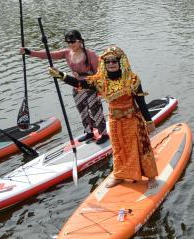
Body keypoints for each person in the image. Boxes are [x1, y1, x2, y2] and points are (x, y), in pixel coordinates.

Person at [47, 46, 157, 187]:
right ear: (104, 64)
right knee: (118, 149)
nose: (111, 64)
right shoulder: (101, 81)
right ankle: (120, 175)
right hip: (114, 120)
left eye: (114, 61)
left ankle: (150, 176)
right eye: (107, 62)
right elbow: (81, 83)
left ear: (120, 62)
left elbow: (141, 102)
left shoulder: (132, 79)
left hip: (131, 119)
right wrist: (61, 75)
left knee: (139, 147)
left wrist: (149, 121)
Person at [21, 30, 107, 143]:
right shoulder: (67, 53)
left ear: (80, 41)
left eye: (73, 42)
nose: (71, 44)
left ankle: (104, 134)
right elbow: (48, 55)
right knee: (83, 111)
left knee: (95, 110)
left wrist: (99, 89)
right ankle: (89, 132)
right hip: (76, 86)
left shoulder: (90, 54)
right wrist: (29, 52)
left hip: (90, 86)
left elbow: (99, 74)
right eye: (68, 42)